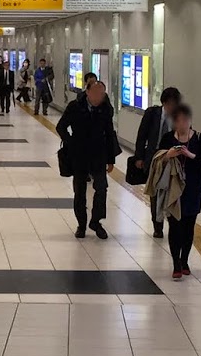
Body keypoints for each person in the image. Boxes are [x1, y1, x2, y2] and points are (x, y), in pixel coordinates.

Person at [155, 103, 201, 278]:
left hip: (193, 189)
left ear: (190, 121)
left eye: (185, 120)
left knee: (188, 226)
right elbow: (157, 159)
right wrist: (168, 154)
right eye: (178, 120)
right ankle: (176, 263)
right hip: (173, 189)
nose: (182, 124)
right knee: (175, 226)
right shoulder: (168, 139)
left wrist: (190, 155)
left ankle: (185, 260)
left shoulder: (199, 139)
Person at [57, 79, 120, 238]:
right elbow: (61, 126)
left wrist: (111, 159)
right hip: (79, 155)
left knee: (101, 188)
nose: (100, 96)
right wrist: (70, 142)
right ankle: (81, 224)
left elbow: (109, 133)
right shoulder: (75, 106)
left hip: (98, 155)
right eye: (97, 93)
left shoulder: (105, 109)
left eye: (102, 94)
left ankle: (96, 221)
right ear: (87, 92)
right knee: (80, 191)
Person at [132, 87, 182, 238]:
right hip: (154, 160)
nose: (172, 108)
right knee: (155, 193)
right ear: (164, 103)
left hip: (173, 161)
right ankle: (157, 225)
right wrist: (139, 157)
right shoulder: (152, 114)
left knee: (172, 192)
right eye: (169, 104)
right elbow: (142, 136)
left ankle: (173, 223)